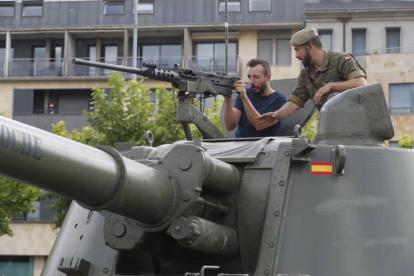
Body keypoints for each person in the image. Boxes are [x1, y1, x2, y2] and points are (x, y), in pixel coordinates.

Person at [255, 27, 367, 126]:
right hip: (332, 128)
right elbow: (294, 104)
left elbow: (361, 83)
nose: (296, 55)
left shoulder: (341, 60)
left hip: (356, 126)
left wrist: (331, 86)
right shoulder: (306, 75)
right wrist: (276, 115)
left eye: (297, 49)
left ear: (309, 47)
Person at [223, 58, 287, 138]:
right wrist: (228, 99)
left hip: (264, 147)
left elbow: (259, 125)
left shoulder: (280, 101)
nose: (251, 82)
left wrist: (244, 98)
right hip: (240, 145)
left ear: (268, 77)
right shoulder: (245, 93)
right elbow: (230, 126)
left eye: (256, 77)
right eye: (249, 77)